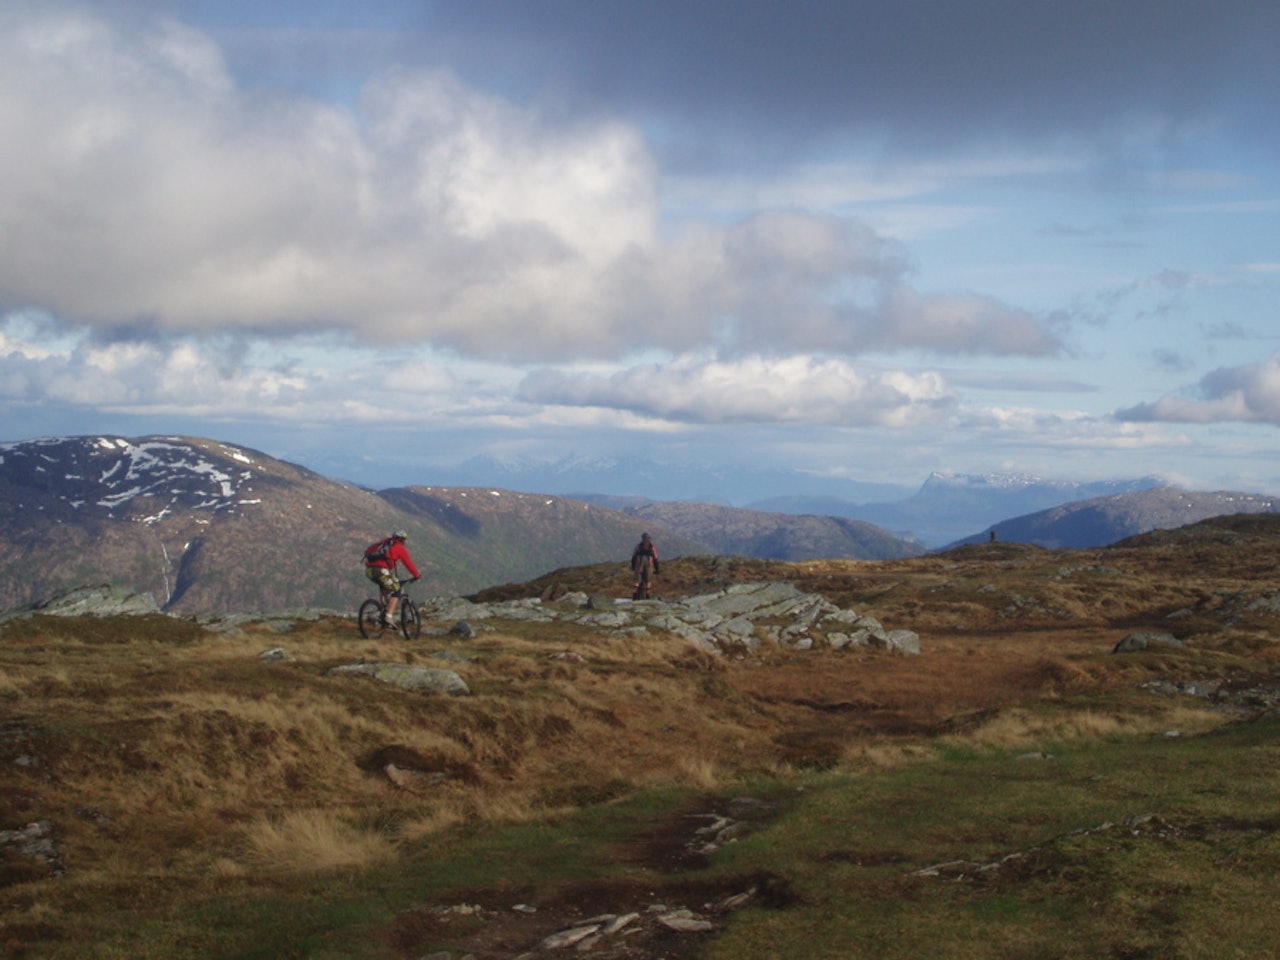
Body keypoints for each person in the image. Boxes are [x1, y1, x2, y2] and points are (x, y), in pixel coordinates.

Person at [364, 530, 420, 625]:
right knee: (397, 590)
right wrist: (417, 575)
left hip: (369, 570)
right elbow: (408, 563)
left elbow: (368, 551)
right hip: (382, 571)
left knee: (385, 587)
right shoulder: (399, 547)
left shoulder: (384, 542)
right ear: (402, 540)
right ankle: (388, 617)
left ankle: (382, 612)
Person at [630, 532, 660, 600]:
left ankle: (635, 594)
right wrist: (657, 569)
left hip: (639, 561)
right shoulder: (652, 547)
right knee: (648, 580)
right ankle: (647, 594)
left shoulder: (638, 546)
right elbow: (655, 559)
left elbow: (633, 557)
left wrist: (633, 566)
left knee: (637, 580)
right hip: (649, 562)